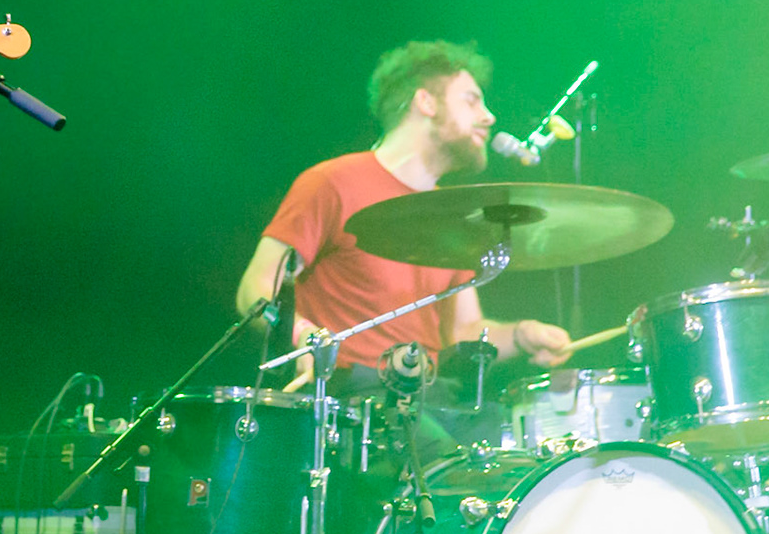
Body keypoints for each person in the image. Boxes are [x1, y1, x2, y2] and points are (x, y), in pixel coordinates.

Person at [235, 40, 573, 405]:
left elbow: (464, 331)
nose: (489, 116)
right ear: (425, 102)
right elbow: (255, 288)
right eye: (472, 100)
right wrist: (303, 336)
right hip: (350, 399)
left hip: (426, 399)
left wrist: (523, 334)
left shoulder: (454, 215)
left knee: (505, 449)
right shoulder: (333, 182)